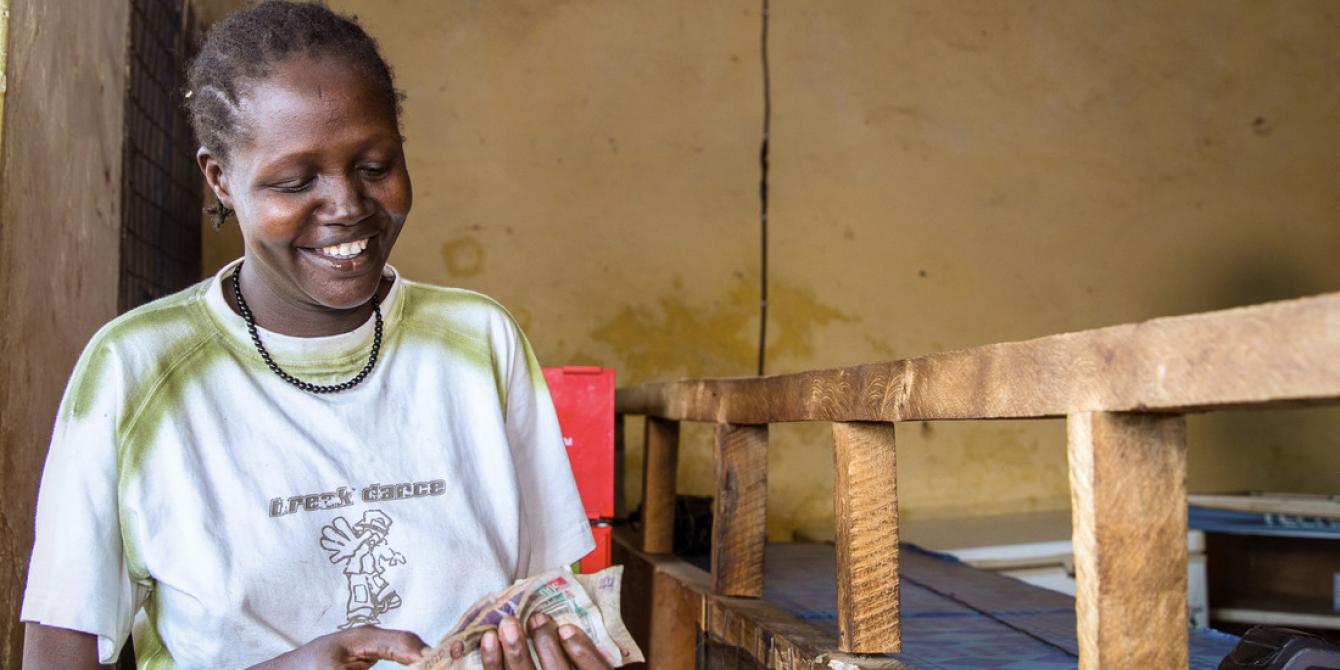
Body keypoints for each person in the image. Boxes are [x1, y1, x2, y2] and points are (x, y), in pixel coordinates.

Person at [20, 2, 612, 669]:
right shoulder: (136, 371)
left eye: (375, 165)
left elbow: (548, 600)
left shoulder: (476, 342)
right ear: (220, 178)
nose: (347, 206)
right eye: (296, 180)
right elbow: (56, 657)